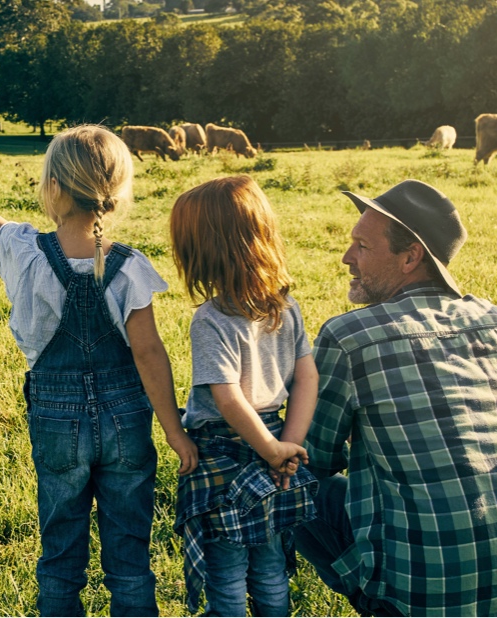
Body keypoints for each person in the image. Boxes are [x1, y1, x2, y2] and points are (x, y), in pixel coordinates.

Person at [0, 124, 199, 616]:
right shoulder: (128, 266)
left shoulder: (25, 252)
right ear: (116, 193)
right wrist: (175, 431)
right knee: (129, 556)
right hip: (126, 421)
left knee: (61, 554)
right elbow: (150, 354)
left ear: (53, 189)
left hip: (56, 419)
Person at [296, 179, 497, 616]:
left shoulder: (349, 337)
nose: (347, 257)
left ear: (410, 257)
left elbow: (311, 459)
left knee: (289, 480)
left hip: (422, 598)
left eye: (361, 245)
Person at [167, 176, 320, 616]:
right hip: (274, 444)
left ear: (201, 252)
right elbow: (306, 378)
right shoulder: (286, 307)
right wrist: (286, 446)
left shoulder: (211, 319)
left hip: (224, 452)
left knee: (228, 569)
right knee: (270, 563)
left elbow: (229, 399)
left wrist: (273, 449)